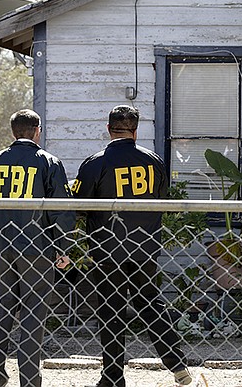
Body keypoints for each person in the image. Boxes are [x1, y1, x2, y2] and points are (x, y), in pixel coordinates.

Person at [71, 105, 191, 387]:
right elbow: (162, 199)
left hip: (107, 248)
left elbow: (79, 205)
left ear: (108, 128)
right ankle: (177, 363)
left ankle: (113, 377)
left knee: (111, 310)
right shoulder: (154, 161)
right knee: (150, 302)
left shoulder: (95, 162)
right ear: (135, 131)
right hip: (144, 246)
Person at [0, 109, 74, 387]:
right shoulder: (49, 163)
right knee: (33, 314)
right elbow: (61, 210)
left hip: (1, 247)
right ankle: (29, 380)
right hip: (37, 248)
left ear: (13, 131)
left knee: (0, 312)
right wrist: (63, 247)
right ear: (37, 130)